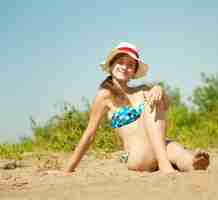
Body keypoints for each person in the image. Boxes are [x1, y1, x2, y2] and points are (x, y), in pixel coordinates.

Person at [63, 42, 209, 174]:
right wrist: (67, 170)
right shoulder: (105, 96)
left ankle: (193, 163)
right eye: (120, 62)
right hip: (137, 155)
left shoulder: (143, 90)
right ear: (111, 66)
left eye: (130, 65)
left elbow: (166, 107)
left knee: (176, 150)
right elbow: (89, 134)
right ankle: (164, 164)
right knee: (156, 119)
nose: (124, 67)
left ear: (134, 72)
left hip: (158, 148)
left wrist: (160, 90)